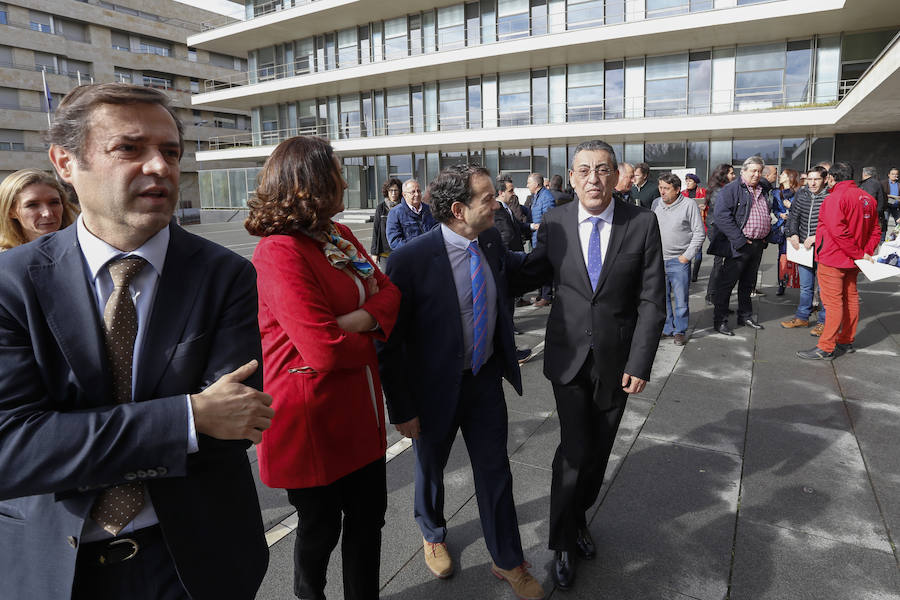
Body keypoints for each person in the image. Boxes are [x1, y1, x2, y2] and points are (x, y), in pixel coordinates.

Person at [0, 83, 272, 600]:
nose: (159, 167)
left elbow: (237, 425)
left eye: (170, 152)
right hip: (54, 568)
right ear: (65, 162)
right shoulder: (11, 283)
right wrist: (187, 417)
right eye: (129, 148)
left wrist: (66, 436)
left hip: (195, 562)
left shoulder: (225, 275)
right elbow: (11, 449)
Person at [378, 164, 545, 600]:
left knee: (495, 472)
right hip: (432, 391)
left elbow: (518, 271)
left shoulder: (488, 239)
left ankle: (507, 559)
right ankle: (432, 532)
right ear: (458, 209)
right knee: (430, 469)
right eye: (487, 198)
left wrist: (570, 234)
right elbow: (389, 344)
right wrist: (402, 409)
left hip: (483, 380)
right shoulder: (410, 261)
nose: (497, 203)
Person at [247, 136, 401, 600]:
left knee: (368, 520)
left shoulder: (338, 234)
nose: (346, 180)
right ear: (312, 182)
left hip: (358, 408)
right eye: (337, 171)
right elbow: (325, 351)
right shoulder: (279, 251)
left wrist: (357, 321)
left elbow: (390, 292)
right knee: (319, 531)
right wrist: (373, 330)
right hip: (311, 420)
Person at [519, 140, 665, 590]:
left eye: (602, 170)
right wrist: (481, 246)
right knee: (574, 450)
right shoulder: (556, 221)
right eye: (583, 171)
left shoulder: (641, 223)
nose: (593, 179)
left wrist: (640, 362)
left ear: (616, 175)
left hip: (617, 360)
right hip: (567, 358)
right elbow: (532, 272)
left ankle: (578, 518)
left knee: (599, 451)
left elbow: (651, 300)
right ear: (572, 175)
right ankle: (562, 540)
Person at [797, 162, 880, 360]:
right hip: (852, 259)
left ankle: (825, 346)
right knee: (850, 299)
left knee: (833, 303)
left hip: (834, 258)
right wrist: (863, 253)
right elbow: (876, 230)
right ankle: (845, 340)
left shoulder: (835, 197)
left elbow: (837, 231)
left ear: (831, 178)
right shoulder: (867, 198)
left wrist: (858, 253)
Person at [707, 156, 771, 335]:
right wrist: (739, 240)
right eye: (753, 170)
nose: (757, 174)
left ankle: (745, 315)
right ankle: (720, 321)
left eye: (759, 171)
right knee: (726, 285)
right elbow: (721, 216)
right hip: (739, 245)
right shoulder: (732, 189)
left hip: (757, 244)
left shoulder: (762, 189)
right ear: (743, 171)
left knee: (748, 284)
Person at [653, 174, 705, 346]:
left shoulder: (689, 205)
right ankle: (667, 328)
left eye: (666, 188)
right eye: (660, 187)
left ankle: (680, 331)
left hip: (679, 261)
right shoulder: (656, 204)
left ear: (676, 189)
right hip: (659, 260)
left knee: (681, 299)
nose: (662, 191)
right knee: (662, 298)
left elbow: (699, 233)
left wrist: (686, 256)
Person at [781, 165, 829, 334]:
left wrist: (817, 237)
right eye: (810, 179)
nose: (813, 183)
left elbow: (833, 224)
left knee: (824, 288)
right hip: (803, 248)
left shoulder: (830, 196)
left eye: (816, 179)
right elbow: (794, 216)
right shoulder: (802, 194)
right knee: (806, 286)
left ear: (824, 180)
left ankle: (823, 322)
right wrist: (793, 234)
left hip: (824, 248)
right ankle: (802, 317)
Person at [494, 176, 534, 362]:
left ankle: (509, 350)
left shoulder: (507, 209)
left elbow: (517, 227)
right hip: (505, 264)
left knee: (508, 309)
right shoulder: (495, 210)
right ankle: (510, 353)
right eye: (510, 190)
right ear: (501, 192)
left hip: (511, 263)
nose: (514, 193)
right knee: (504, 310)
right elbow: (502, 238)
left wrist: (533, 226)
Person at [0, 168, 78, 251]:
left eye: (54, 202)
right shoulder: (4, 260)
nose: (47, 213)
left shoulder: (83, 250)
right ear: (11, 212)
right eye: (32, 205)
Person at [704, 163, 736, 305]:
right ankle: (712, 294)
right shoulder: (720, 191)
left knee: (720, 263)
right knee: (719, 263)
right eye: (731, 173)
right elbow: (722, 213)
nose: (734, 175)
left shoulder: (721, 189)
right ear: (723, 175)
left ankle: (714, 295)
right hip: (718, 230)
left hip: (718, 229)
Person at [527, 172, 556, 306]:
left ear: (536, 184)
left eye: (529, 182)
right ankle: (541, 295)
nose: (527, 185)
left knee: (544, 266)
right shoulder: (536, 196)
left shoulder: (546, 197)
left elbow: (549, 217)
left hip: (543, 238)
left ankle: (546, 296)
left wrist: (543, 230)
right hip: (536, 237)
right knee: (539, 266)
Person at [772, 168, 802, 296]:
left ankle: (797, 281)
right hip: (782, 228)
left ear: (790, 177)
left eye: (783, 174)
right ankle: (781, 283)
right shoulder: (777, 193)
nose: (780, 176)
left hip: (796, 229)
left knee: (798, 256)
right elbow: (774, 209)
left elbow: (802, 209)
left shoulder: (798, 193)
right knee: (782, 256)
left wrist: (791, 208)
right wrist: (780, 214)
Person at [386, 178, 436, 249]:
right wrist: (416, 249)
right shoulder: (395, 213)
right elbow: (395, 241)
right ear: (404, 195)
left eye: (418, 191)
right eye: (413, 192)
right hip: (410, 257)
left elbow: (438, 231)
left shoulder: (430, 210)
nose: (417, 194)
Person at [371, 177, 402, 270]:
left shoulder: (403, 207)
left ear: (400, 191)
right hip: (384, 253)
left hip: (400, 251)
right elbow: (376, 230)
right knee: (387, 279)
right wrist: (374, 252)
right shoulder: (381, 208)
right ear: (387, 191)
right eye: (391, 190)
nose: (393, 193)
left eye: (396, 190)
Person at [681, 173, 707, 282]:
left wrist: (706, 207)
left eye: (690, 181)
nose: (687, 183)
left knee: (698, 252)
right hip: (687, 225)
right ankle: (687, 274)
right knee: (687, 250)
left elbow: (711, 205)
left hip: (699, 223)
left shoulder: (703, 192)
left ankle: (695, 274)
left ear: (695, 182)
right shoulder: (682, 193)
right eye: (686, 181)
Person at [858, 167, 886, 241]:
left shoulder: (870, 184)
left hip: (871, 219)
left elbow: (868, 201)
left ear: (864, 174)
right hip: (875, 216)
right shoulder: (877, 183)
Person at [881, 167, 900, 231]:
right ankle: (882, 239)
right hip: (886, 206)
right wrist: (894, 197)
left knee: (898, 223)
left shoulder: (899, 184)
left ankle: (897, 238)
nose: (895, 175)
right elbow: (882, 194)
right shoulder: (883, 183)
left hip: (896, 207)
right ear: (889, 175)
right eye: (893, 174)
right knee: (884, 223)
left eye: (896, 174)